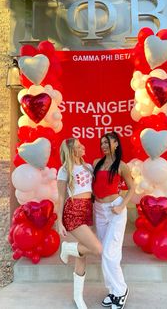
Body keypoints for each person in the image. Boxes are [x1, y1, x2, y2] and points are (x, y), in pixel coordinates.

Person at [57, 138, 102, 309]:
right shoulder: (64, 170)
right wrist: (59, 222)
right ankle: (67, 248)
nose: (83, 147)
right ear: (71, 151)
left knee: (82, 256)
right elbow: (60, 197)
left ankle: (78, 297)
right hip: (73, 210)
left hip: (87, 211)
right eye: (78, 146)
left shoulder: (88, 167)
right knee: (97, 248)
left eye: (81, 145)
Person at [93, 132, 134, 309]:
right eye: (101, 143)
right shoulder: (96, 163)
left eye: (107, 142)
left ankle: (121, 290)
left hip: (115, 210)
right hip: (99, 210)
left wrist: (122, 205)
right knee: (105, 252)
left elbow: (132, 188)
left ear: (116, 144)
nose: (103, 145)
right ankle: (112, 291)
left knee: (111, 252)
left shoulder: (122, 166)